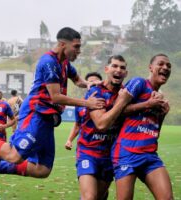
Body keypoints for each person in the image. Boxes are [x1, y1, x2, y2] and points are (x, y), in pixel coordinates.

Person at [0, 27, 105, 181]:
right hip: (36, 113)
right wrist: (87, 103)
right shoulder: (48, 62)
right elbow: (56, 97)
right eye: (76, 46)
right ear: (63, 44)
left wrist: (90, 84)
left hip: (48, 119)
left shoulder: (64, 63)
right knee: (14, 155)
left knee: (43, 169)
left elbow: (78, 80)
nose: (78, 51)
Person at [112, 54, 173, 199]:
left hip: (149, 155)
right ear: (151, 68)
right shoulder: (139, 83)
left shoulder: (159, 97)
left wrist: (162, 115)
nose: (165, 67)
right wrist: (147, 104)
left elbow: (154, 132)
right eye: (161, 64)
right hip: (126, 153)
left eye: (168, 66)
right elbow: (117, 111)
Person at [75, 55, 132, 200]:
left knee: (99, 196)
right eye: (114, 66)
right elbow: (101, 124)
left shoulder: (127, 93)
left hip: (110, 155)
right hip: (88, 151)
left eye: (122, 68)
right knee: (89, 197)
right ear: (107, 69)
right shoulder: (96, 92)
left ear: (126, 73)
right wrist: (121, 103)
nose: (118, 70)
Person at [65, 72, 103, 151]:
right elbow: (77, 125)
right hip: (84, 148)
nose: (94, 85)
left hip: (104, 147)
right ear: (86, 85)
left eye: (96, 82)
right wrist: (69, 140)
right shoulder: (80, 103)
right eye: (91, 82)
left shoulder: (107, 101)